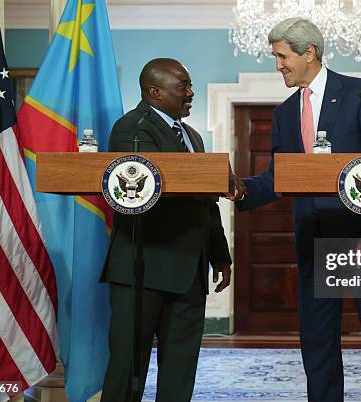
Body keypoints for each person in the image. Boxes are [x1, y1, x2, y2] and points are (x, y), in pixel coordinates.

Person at [231, 18, 361, 402]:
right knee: (317, 337)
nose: (278, 65)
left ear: (308, 52)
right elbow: (280, 177)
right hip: (313, 237)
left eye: (282, 56)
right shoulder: (283, 113)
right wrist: (240, 189)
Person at [101, 58, 232, 402]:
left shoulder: (192, 136)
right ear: (154, 92)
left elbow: (207, 203)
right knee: (128, 369)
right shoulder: (131, 129)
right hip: (143, 268)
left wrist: (220, 255)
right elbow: (147, 190)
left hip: (190, 269)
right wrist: (216, 179)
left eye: (190, 86)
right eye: (183, 86)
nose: (191, 93)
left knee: (180, 368)